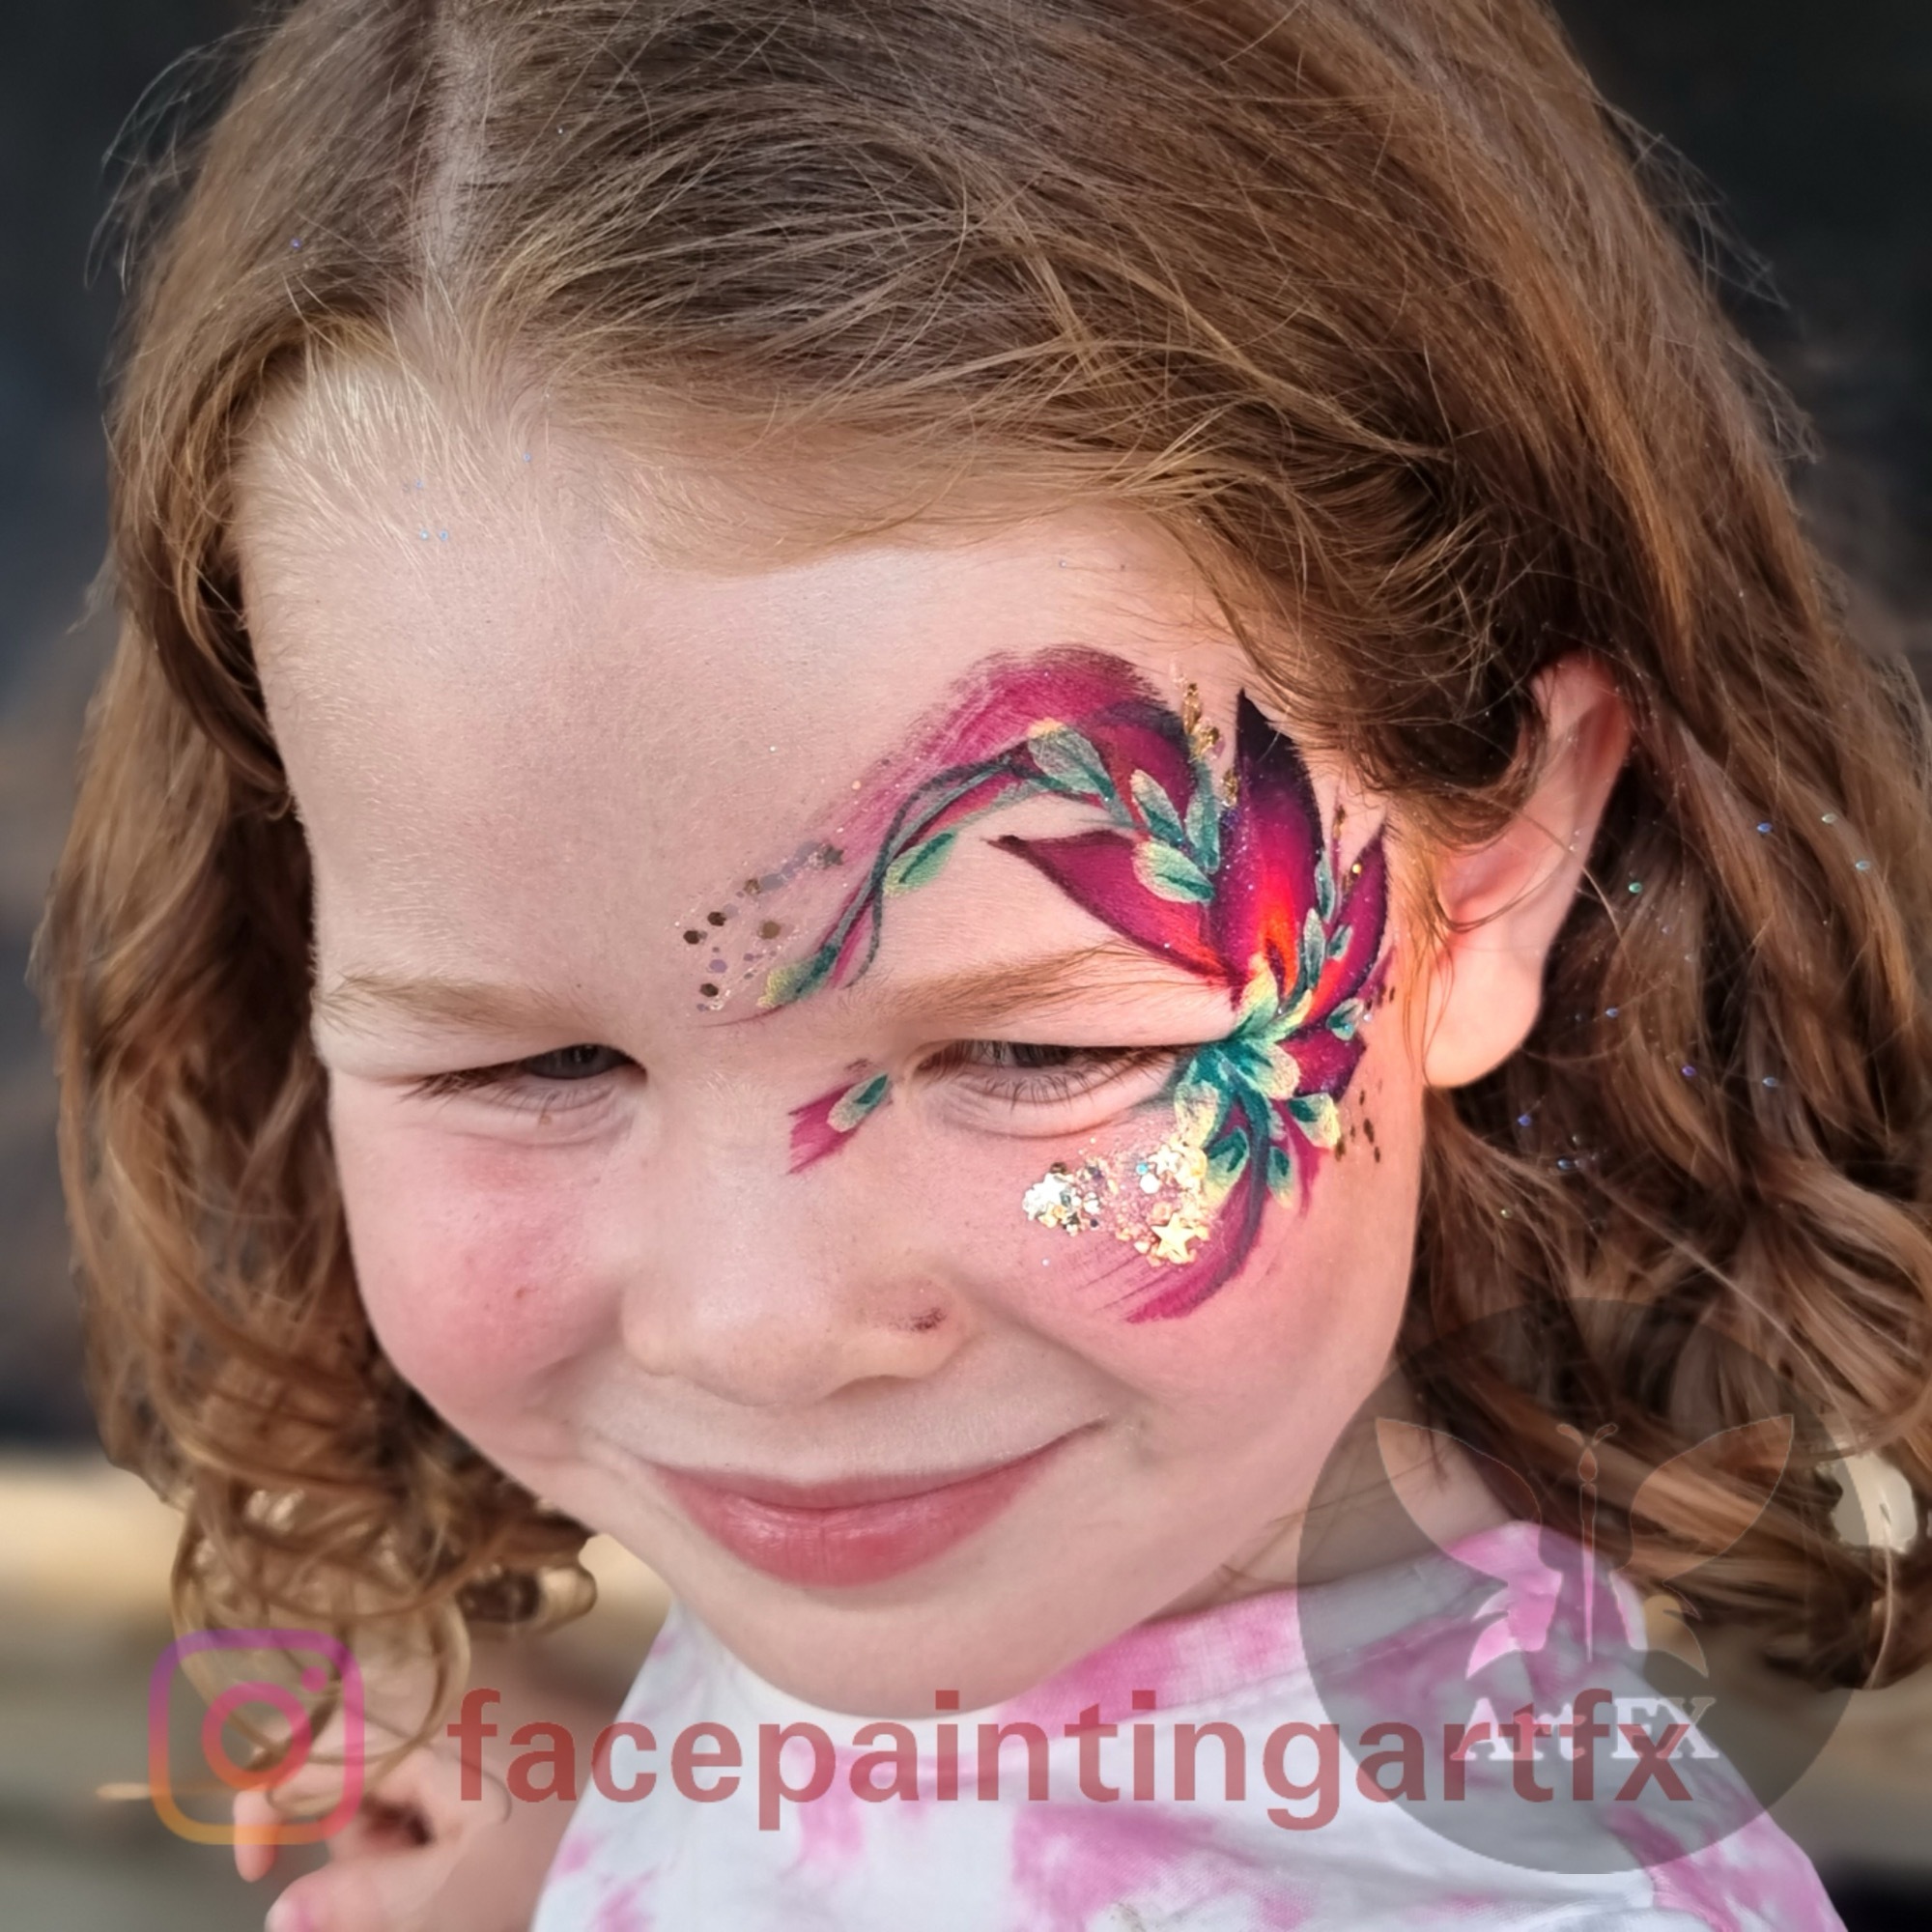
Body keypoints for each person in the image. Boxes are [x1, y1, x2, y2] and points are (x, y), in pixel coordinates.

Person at [35, 0, 1932, 1926]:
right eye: (527, 1072)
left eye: (1026, 1054)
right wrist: (593, 1851)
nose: (758, 1327)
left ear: (1499, 875)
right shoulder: (946, 1601)